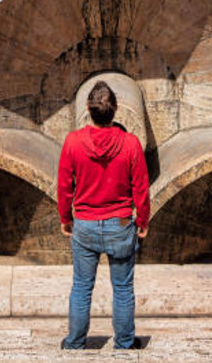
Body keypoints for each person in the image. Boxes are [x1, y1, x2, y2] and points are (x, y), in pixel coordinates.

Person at [57, 81, 151, 350]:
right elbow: (141, 188)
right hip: (120, 225)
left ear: (88, 109)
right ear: (116, 110)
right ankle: (123, 344)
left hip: (84, 224)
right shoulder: (130, 144)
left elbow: (64, 186)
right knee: (122, 289)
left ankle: (75, 343)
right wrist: (142, 221)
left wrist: (66, 218)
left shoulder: (73, 142)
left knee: (81, 287)